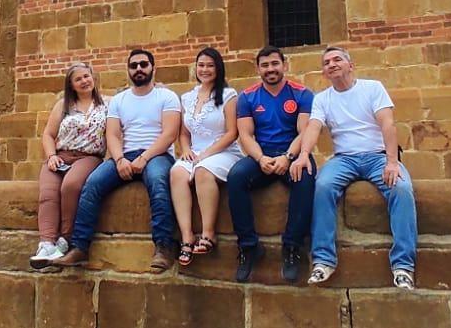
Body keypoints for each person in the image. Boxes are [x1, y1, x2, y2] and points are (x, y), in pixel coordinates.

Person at [292, 45, 418, 289]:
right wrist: (303, 155)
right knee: (323, 187)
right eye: (327, 62)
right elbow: (314, 127)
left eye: (337, 59)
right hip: (344, 159)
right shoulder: (322, 99)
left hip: (377, 155)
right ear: (324, 72)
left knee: (401, 188)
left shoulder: (372, 88)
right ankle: (324, 260)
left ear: (351, 65)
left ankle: (403, 265)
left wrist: (392, 162)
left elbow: (388, 124)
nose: (332, 64)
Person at [55, 47, 182, 272]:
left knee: (158, 183)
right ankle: (79, 246)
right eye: (134, 66)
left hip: (157, 154)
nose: (139, 69)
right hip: (125, 155)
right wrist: (120, 159)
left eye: (144, 64)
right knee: (92, 184)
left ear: (153, 68)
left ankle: (164, 246)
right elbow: (112, 134)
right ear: (128, 70)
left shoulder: (167, 96)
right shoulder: (120, 100)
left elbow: (169, 135)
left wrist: (144, 157)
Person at [226, 46, 316, 283]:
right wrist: (260, 159)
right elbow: (245, 135)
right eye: (264, 65)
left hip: (293, 153)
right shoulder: (247, 97)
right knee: (235, 177)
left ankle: (292, 247)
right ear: (258, 69)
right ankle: (248, 246)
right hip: (262, 155)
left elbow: (304, 132)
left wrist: (287, 157)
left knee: (305, 178)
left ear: (284, 65)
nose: (270, 69)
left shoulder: (302, 94)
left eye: (274, 64)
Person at [168, 46, 244, 268]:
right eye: (201, 65)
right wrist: (185, 150)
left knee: (203, 171)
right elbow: (183, 133)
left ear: (218, 68)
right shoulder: (187, 97)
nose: (205, 69)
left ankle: (209, 233)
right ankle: (186, 236)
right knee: (176, 173)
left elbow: (232, 132)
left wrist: (206, 154)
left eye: (210, 65)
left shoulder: (228, 96)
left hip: (223, 151)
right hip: (195, 151)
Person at [30, 62, 108, 268]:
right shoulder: (63, 104)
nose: (84, 81)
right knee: (48, 192)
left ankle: (65, 240)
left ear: (93, 78)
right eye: (78, 79)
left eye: (87, 76)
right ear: (71, 85)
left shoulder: (107, 104)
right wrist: (51, 155)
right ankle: (46, 243)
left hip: (88, 156)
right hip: (61, 156)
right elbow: (48, 134)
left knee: (71, 186)